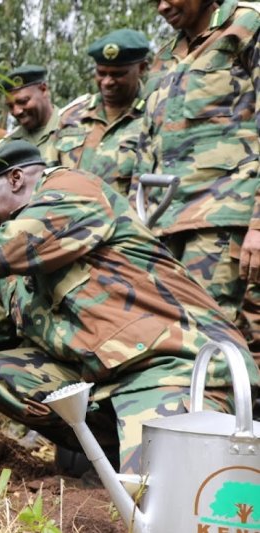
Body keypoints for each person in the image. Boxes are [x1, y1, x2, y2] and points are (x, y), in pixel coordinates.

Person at [0, 140, 260, 474]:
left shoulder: (74, 191)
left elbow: (16, 243)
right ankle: (116, 455)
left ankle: (140, 462)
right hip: (108, 382)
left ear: (15, 179)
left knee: (159, 502)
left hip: (173, 366)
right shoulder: (8, 278)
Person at [135, 0, 260, 380]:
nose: (161, 7)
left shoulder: (246, 25)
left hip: (224, 216)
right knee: (173, 340)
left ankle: (217, 434)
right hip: (163, 224)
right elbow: (148, 145)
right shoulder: (166, 57)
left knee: (210, 342)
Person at [50, 29, 150, 197]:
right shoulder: (72, 115)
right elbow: (49, 171)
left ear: (142, 68)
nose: (107, 82)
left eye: (118, 74)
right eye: (101, 73)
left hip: (125, 221)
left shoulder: (154, 115)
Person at [3, 65, 60, 156]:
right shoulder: (6, 147)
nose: (16, 111)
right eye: (10, 106)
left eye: (23, 101)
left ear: (43, 90)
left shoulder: (74, 126)